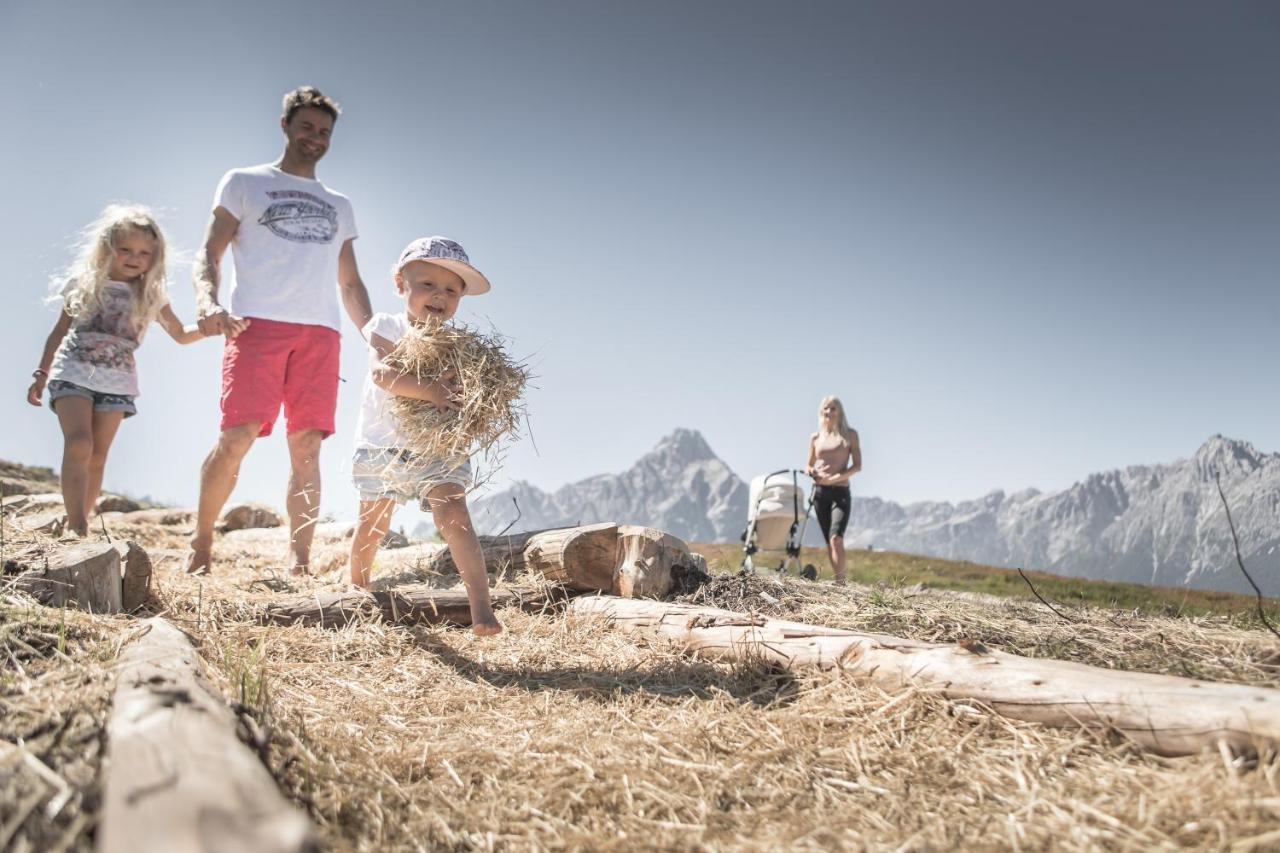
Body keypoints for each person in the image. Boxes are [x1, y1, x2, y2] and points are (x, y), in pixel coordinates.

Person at [186, 86, 374, 576]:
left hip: (320, 334)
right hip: (256, 325)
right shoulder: (245, 182)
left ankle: (299, 558)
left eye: (325, 132)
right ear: (286, 126)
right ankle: (201, 542)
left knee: (307, 445)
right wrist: (207, 302)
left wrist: (376, 336)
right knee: (237, 436)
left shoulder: (339, 204)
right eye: (307, 127)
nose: (315, 138)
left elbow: (350, 281)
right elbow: (209, 253)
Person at [27, 205, 220, 536]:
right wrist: (41, 373)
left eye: (144, 253)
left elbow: (180, 334)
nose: (134, 257)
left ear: (154, 258)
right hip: (72, 372)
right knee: (79, 443)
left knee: (98, 456)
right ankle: (76, 524)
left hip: (118, 382)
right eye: (126, 249)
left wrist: (207, 328)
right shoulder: (84, 284)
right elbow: (59, 331)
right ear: (108, 248)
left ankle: (81, 520)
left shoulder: (151, 295)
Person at [348, 236, 502, 635]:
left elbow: (471, 395)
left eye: (451, 290)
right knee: (373, 524)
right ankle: (355, 590)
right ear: (401, 285)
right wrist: (432, 391)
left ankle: (482, 609)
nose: (440, 296)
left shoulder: (460, 347)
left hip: (438, 450)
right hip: (384, 447)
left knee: (455, 517)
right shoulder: (386, 326)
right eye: (428, 284)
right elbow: (382, 375)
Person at [805, 396, 862, 585]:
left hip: (840, 492)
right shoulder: (815, 437)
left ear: (840, 412)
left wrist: (835, 478)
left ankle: (841, 582)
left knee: (837, 537)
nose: (829, 412)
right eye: (826, 408)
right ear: (822, 412)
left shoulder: (850, 435)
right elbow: (808, 464)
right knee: (829, 540)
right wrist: (812, 472)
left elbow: (857, 466)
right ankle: (839, 582)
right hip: (820, 493)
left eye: (833, 408)